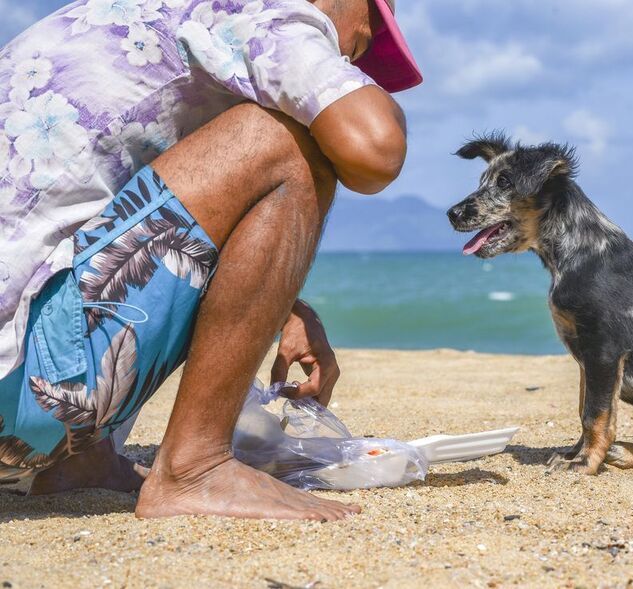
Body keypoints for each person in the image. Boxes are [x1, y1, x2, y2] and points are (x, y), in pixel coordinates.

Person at [0, 0, 422, 520]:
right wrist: (364, 98)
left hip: (18, 393)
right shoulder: (269, 12)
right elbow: (374, 150)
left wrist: (288, 304)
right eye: (369, 31)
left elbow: (128, 220)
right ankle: (195, 466)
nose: (357, 55)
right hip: (25, 398)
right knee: (286, 141)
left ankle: (77, 464)